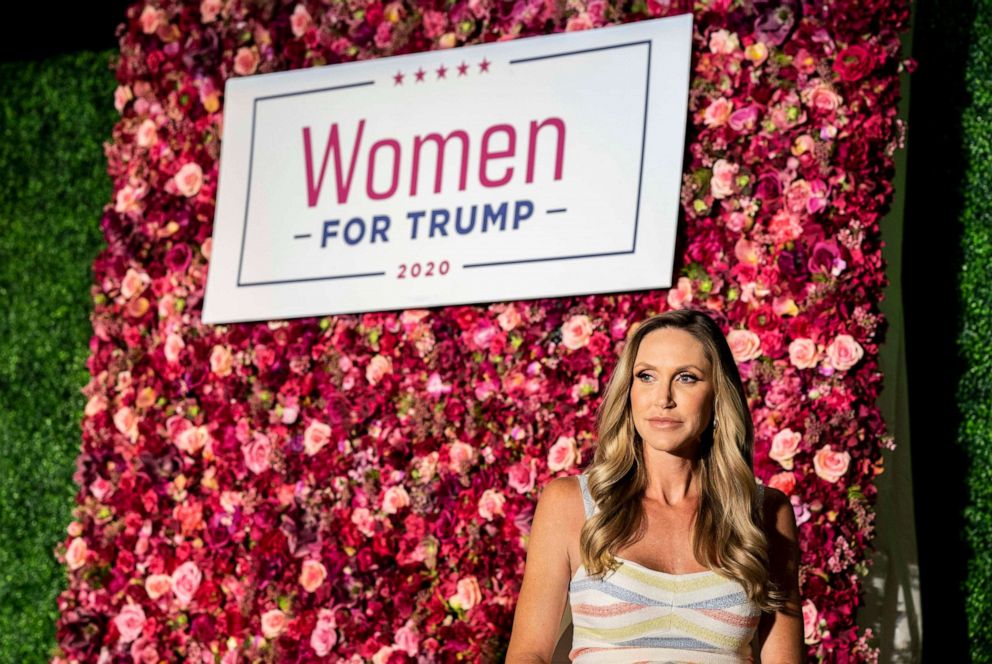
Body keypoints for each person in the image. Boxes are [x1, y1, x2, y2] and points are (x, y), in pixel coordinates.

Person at [505, 309, 805, 663]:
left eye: (687, 378)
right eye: (646, 376)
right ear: (628, 390)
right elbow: (529, 654)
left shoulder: (764, 513)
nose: (663, 398)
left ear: (718, 396)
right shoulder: (569, 503)